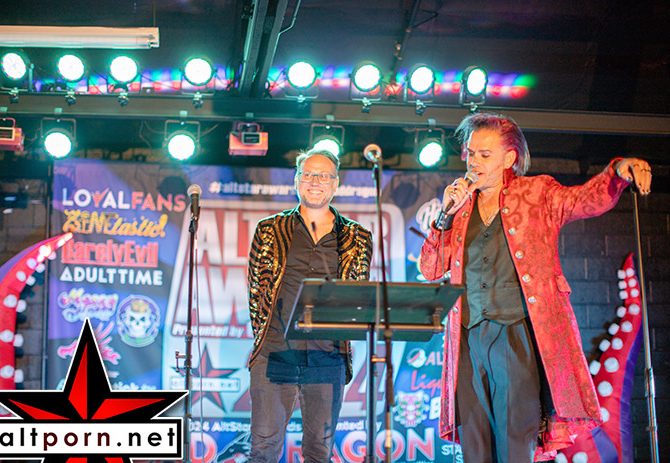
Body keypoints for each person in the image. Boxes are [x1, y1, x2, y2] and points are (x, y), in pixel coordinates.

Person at [419, 112, 652, 463]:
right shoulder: (461, 208)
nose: (474, 162)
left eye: (485, 154)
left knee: (515, 438)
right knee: (474, 442)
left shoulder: (537, 193)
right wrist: (444, 217)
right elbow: (430, 268)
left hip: (516, 332)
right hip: (467, 337)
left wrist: (618, 171)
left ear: (509, 158)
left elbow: (585, 199)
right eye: (471, 153)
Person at [246, 148, 373, 462]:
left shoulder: (357, 237)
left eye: (324, 176)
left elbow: (356, 294)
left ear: (335, 184)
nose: (315, 181)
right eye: (308, 174)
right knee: (263, 448)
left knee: (319, 451)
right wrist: (267, 338)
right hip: (275, 351)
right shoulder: (269, 229)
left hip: (328, 355)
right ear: (296, 180)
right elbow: (256, 291)